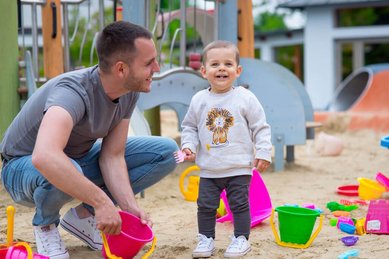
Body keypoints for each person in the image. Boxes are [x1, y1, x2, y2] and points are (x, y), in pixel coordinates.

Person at [0, 21, 178, 259]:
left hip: (75, 159)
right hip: (20, 170)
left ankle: (83, 218)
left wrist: (128, 206)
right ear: (121, 69)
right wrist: (102, 202)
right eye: (149, 63)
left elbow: (112, 156)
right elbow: (44, 156)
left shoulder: (128, 91)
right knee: (63, 163)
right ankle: (45, 224)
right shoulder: (72, 92)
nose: (157, 67)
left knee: (167, 152)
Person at [180, 40, 272, 258]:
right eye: (215, 64)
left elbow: (261, 127)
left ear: (237, 71)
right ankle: (206, 238)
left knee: (239, 205)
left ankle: (241, 239)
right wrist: (188, 145)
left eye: (228, 64)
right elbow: (189, 127)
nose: (222, 68)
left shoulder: (245, 98)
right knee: (205, 206)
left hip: (238, 166)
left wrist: (263, 152)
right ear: (204, 71)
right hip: (209, 168)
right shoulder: (199, 100)